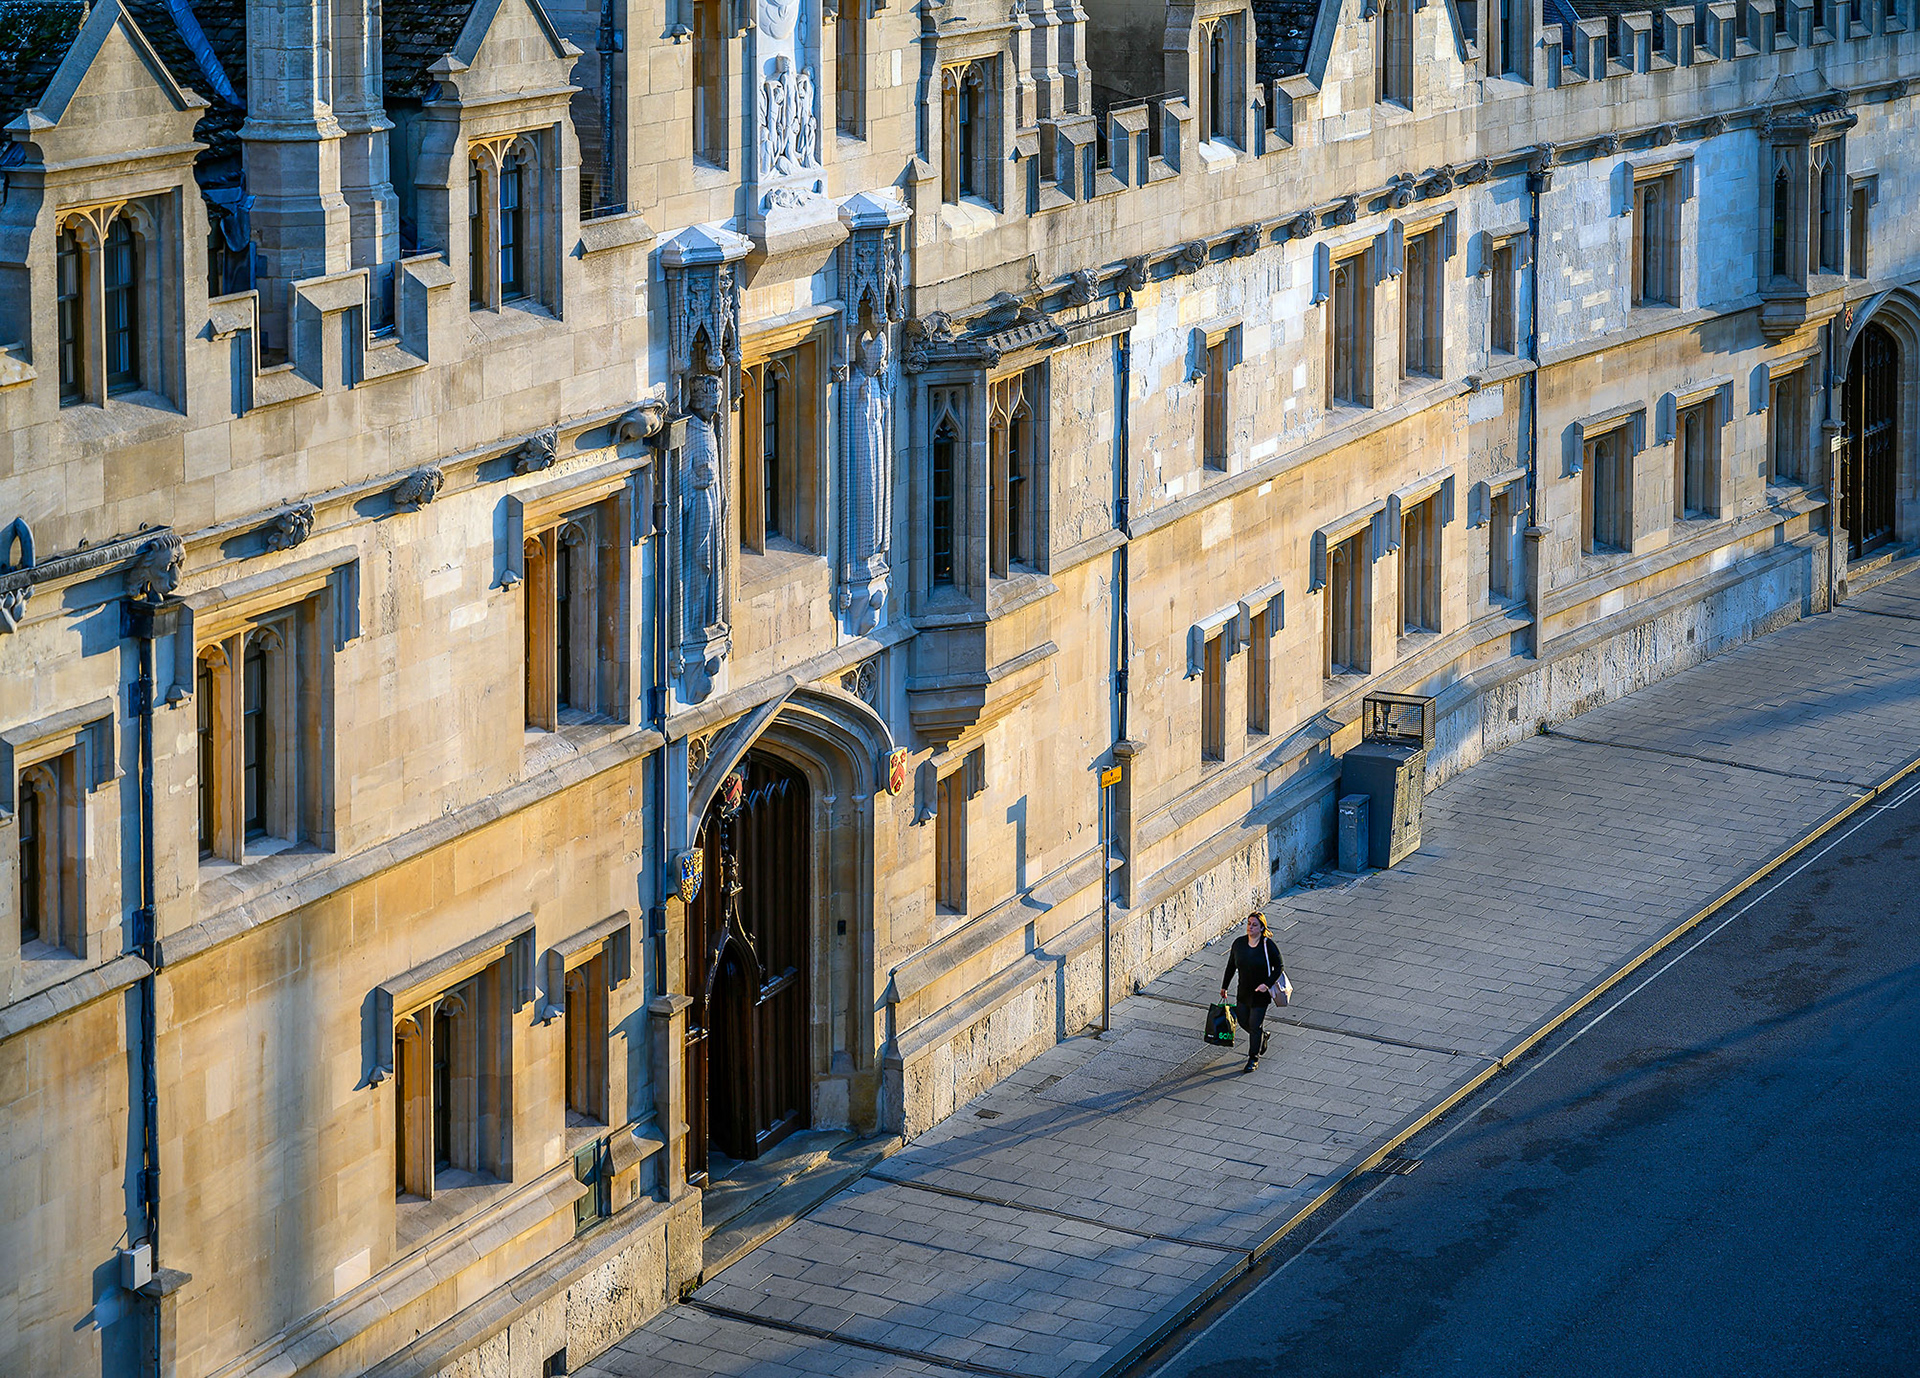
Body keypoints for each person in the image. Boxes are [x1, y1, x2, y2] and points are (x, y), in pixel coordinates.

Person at [1220, 911, 1284, 1073]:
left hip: (1260, 995)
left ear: (1262, 927)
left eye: (1255, 925)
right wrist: (1224, 987)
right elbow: (1231, 966)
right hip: (1243, 992)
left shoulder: (1267, 945)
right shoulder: (1239, 944)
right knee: (1243, 1021)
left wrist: (1267, 985)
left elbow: (1279, 967)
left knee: (1255, 1026)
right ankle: (1262, 1036)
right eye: (1249, 923)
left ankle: (1253, 1058)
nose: (1250, 927)